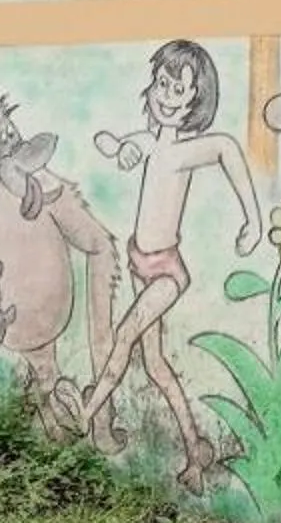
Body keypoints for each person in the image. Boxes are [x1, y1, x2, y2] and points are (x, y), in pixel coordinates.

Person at [82, 39, 256, 485]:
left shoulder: (186, 151)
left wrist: (252, 219)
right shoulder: (155, 144)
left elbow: (228, 151)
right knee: (156, 365)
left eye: (179, 91)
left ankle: (85, 415)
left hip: (165, 273)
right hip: (142, 264)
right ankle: (195, 449)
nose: (166, 95)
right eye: (163, 83)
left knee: (124, 337)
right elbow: (125, 147)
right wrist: (115, 146)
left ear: (196, 102)